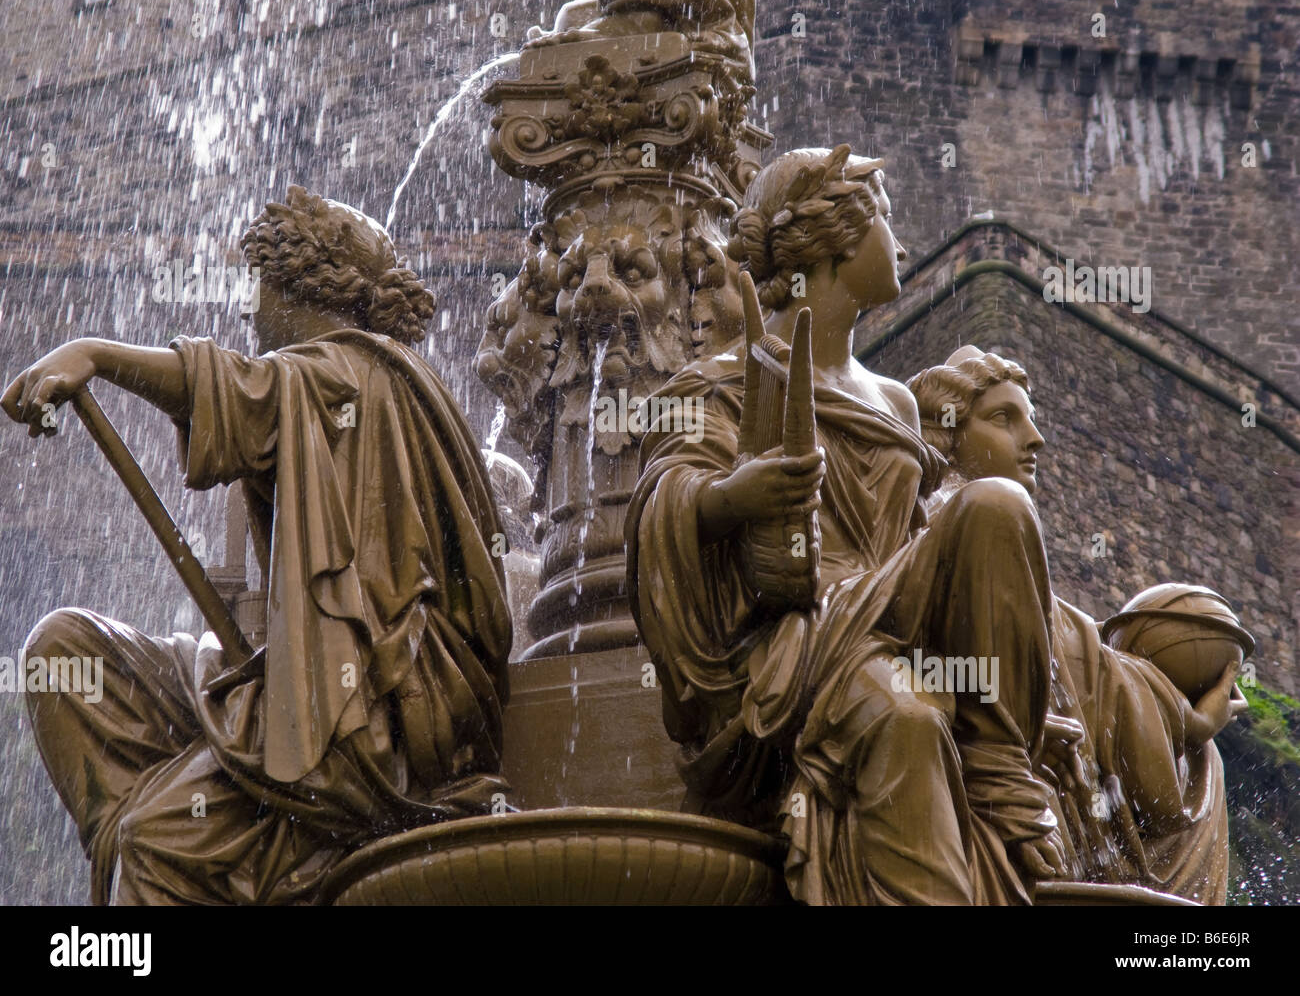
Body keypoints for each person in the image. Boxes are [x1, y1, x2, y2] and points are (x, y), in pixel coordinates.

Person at [2, 186, 512, 905]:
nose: (247, 308)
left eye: (258, 286)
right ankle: (208, 835)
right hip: (293, 675)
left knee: (157, 839)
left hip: (367, 718)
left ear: (300, 283)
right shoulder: (344, 375)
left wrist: (94, 354)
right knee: (64, 651)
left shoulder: (357, 372)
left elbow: (237, 388)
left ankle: (187, 850)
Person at [626, 145, 1068, 904]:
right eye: (885, 219)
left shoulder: (896, 402)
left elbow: (924, 544)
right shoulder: (726, 380)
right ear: (832, 239)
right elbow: (661, 503)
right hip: (796, 640)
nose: (899, 243)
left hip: (896, 617)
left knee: (997, 502)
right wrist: (739, 496)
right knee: (905, 715)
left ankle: (998, 766)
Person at [907, 346, 1247, 903]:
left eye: (1032, 417)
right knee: (1198, 771)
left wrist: (1186, 724)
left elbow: (1093, 666)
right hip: (988, 778)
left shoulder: (1019, 570)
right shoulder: (931, 526)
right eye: (1003, 418)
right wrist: (1180, 727)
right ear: (946, 432)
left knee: (1204, 764)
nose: (1034, 437)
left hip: (1037, 779)